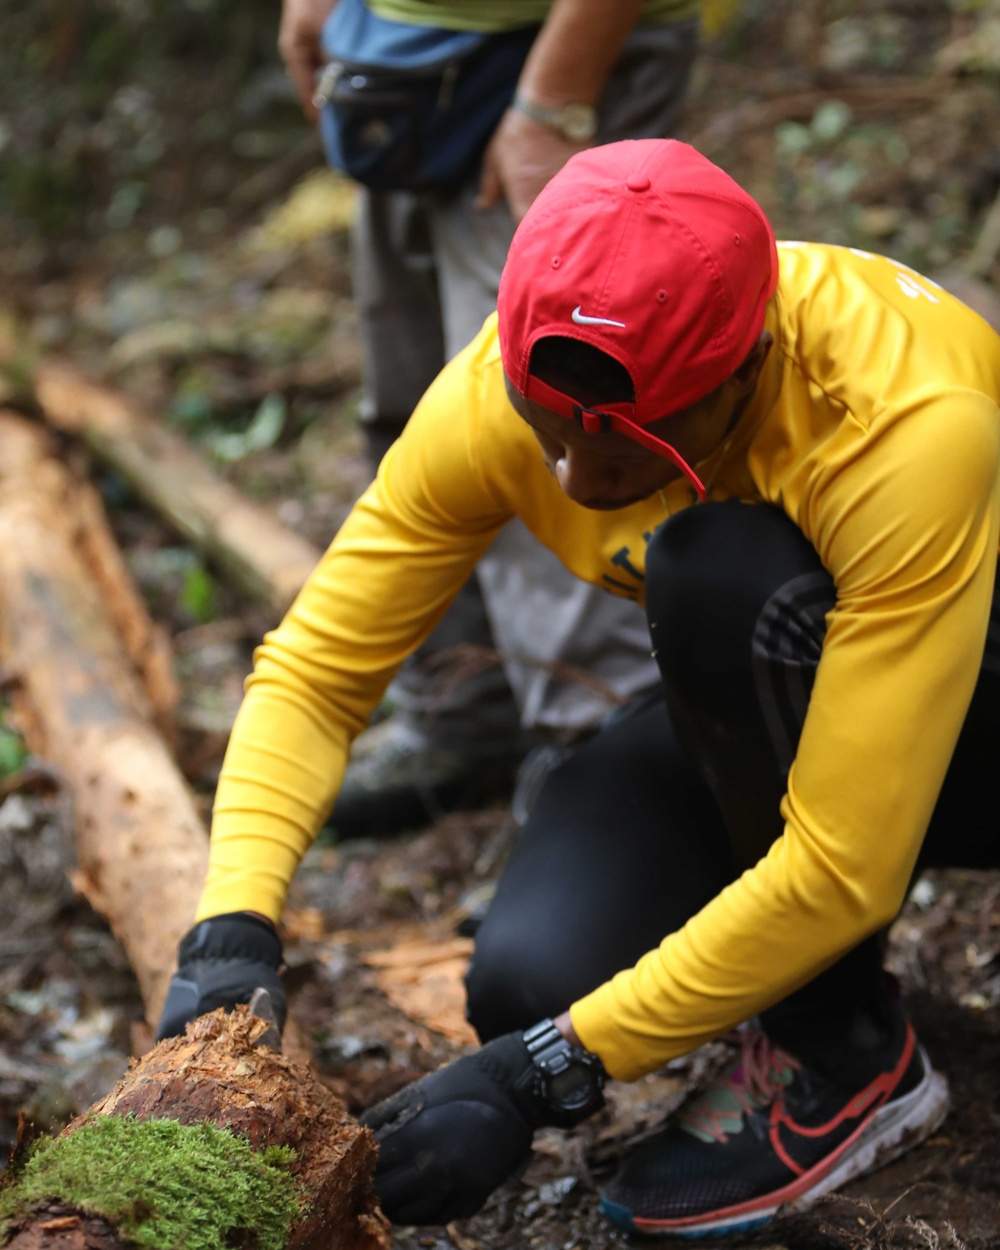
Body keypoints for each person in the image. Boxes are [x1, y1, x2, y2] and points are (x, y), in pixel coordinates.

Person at [157, 139, 1000, 1236]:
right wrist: (229, 926)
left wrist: (550, 1071)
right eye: (546, 428)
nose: (574, 479)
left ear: (740, 373)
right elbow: (318, 669)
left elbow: (845, 865)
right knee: (528, 977)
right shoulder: (504, 393)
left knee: (717, 571)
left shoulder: (899, 425)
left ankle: (839, 1041)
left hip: (962, 722)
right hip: (778, 702)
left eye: (626, 449)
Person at [277, 0, 700, 836]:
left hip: (554, 56)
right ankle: (463, 713)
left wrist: (555, 98)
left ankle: (600, 755)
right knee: (415, 406)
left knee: (554, 416)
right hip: (401, 56)